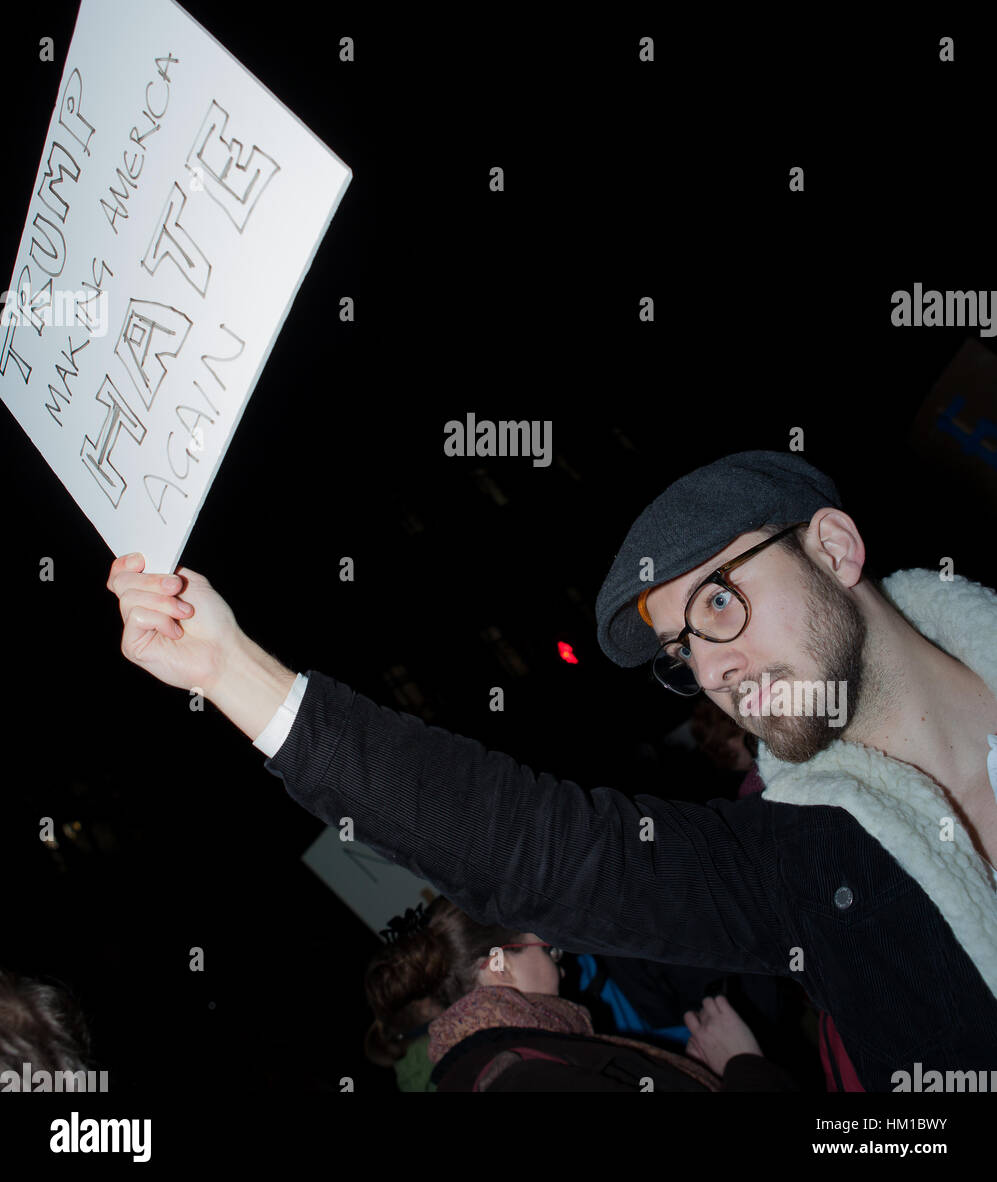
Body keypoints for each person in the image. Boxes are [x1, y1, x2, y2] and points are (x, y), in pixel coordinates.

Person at [106, 449, 997, 1090]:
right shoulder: (800, 865)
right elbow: (539, 849)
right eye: (682, 650)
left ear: (834, 550)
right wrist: (229, 671)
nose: (713, 669)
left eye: (720, 599)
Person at [362, 895, 796, 1091]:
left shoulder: (506, 1060)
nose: (558, 962)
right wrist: (744, 1066)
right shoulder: (517, 1076)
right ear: (498, 968)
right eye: (544, 949)